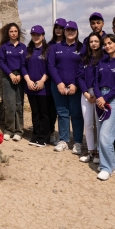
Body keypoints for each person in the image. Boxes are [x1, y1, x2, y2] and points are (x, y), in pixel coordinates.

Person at [94, 34, 115, 180]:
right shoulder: (102, 62)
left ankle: (105, 168)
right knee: (101, 132)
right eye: (105, 44)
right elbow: (95, 82)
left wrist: (105, 98)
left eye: (110, 43)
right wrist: (99, 97)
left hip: (113, 99)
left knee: (105, 135)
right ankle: (113, 163)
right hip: (100, 98)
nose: (107, 46)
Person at [48, 20, 84, 153]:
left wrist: (75, 83)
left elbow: (82, 67)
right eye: (68, 30)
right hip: (58, 86)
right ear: (64, 31)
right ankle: (63, 140)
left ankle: (78, 142)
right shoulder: (56, 47)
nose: (70, 32)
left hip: (76, 86)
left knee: (76, 114)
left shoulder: (82, 47)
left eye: (73, 30)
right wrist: (59, 83)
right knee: (62, 113)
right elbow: (51, 65)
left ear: (76, 32)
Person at [0, 23, 27, 141]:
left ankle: (19, 131)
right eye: (11, 31)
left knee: (19, 104)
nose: (14, 33)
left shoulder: (23, 47)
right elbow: (1, 62)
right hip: (8, 77)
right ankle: (9, 130)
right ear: (8, 33)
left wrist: (20, 74)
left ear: (18, 33)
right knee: (9, 104)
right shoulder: (4, 47)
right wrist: (10, 74)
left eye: (15, 31)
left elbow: (25, 62)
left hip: (20, 77)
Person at [77, 32, 104, 164]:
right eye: (91, 41)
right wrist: (86, 93)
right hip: (86, 93)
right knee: (88, 123)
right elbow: (79, 77)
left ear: (100, 43)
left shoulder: (104, 58)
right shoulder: (84, 59)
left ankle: (99, 151)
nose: (93, 43)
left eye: (96, 41)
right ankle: (90, 150)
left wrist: (97, 94)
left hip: (99, 94)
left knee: (99, 124)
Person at [24, 26, 51, 147]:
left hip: (43, 87)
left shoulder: (48, 50)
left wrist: (42, 81)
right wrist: (28, 81)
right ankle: (35, 136)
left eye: (38, 35)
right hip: (30, 86)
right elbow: (22, 67)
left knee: (44, 113)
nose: (36, 37)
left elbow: (50, 68)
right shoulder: (28, 50)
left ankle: (44, 138)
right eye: (33, 34)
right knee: (35, 113)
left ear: (43, 36)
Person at [46, 18, 65, 144]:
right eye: (56, 27)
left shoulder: (68, 43)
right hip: (52, 82)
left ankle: (64, 135)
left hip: (66, 81)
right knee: (51, 109)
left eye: (61, 27)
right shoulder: (50, 45)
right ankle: (52, 132)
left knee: (64, 110)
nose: (58, 30)